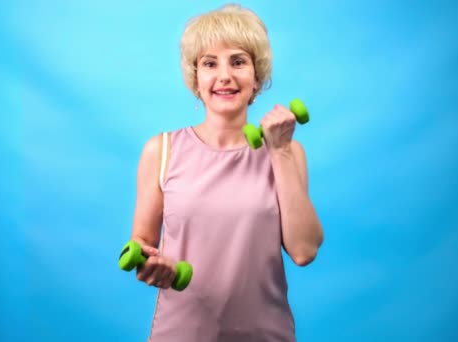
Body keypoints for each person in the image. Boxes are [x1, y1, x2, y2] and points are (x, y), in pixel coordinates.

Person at [129, 3, 323, 341]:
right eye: (209, 63)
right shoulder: (160, 151)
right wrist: (150, 266)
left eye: (238, 61)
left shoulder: (288, 152)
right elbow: (142, 244)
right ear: (195, 77)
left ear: (257, 76)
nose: (224, 76)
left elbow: (304, 250)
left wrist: (278, 150)